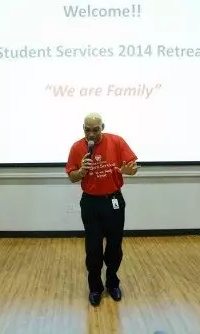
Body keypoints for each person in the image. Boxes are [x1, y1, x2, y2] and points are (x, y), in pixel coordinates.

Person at [65, 112, 139, 306]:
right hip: (90, 203)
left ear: (102, 127)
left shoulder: (116, 141)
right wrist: (81, 171)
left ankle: (112, 282)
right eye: (87, 130)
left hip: (113, 200)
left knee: (114, 246)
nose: (91, 134)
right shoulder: (77, 147)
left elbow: (132, 166)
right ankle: (95, 287)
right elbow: (71, 177)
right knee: (93, 248)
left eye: (95, 130)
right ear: (83, 128)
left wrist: (129, 170)